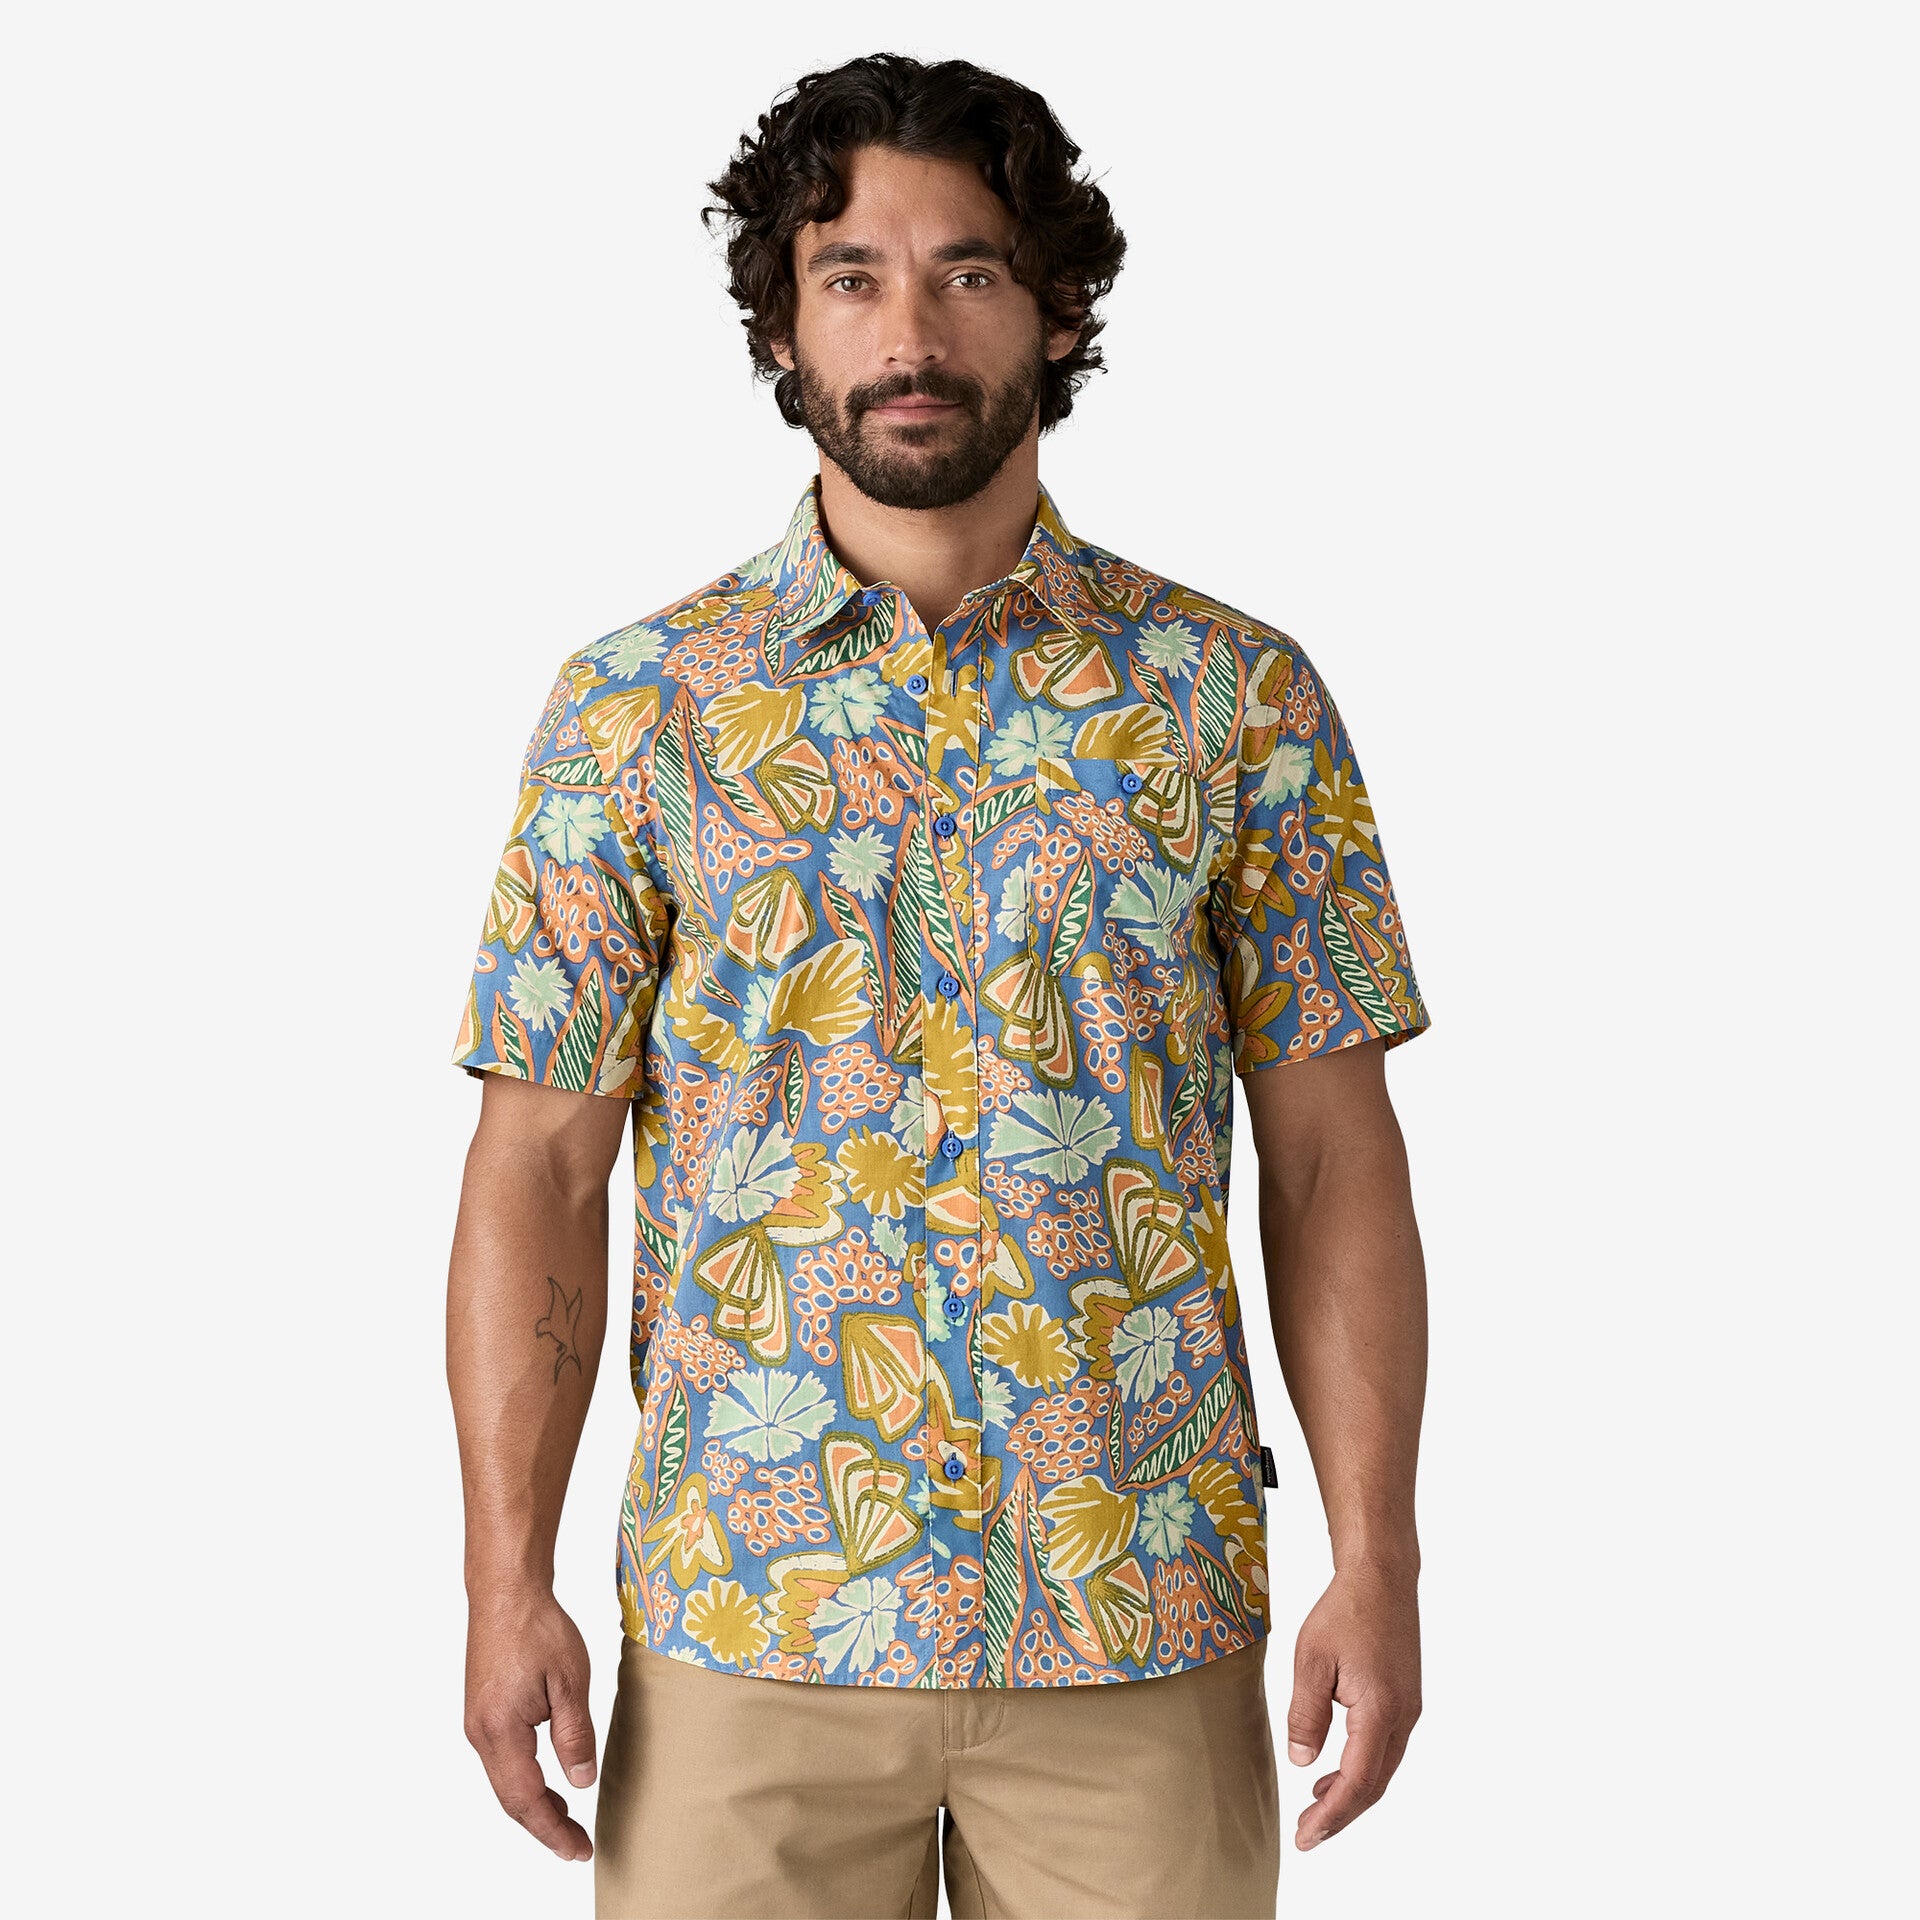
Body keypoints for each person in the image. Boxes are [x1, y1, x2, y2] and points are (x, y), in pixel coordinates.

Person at [446, 50, 1431, 1920]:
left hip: (1139, 1625)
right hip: (748, 1625)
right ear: (783, 325)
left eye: (969, 271)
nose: (910, 333)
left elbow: (1331, 1159)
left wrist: (1376, 1558)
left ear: (1057, 309)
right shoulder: (637, 712)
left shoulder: (1234, 700)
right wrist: (506, 1584)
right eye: (852, 277)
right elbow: (540, 1168)